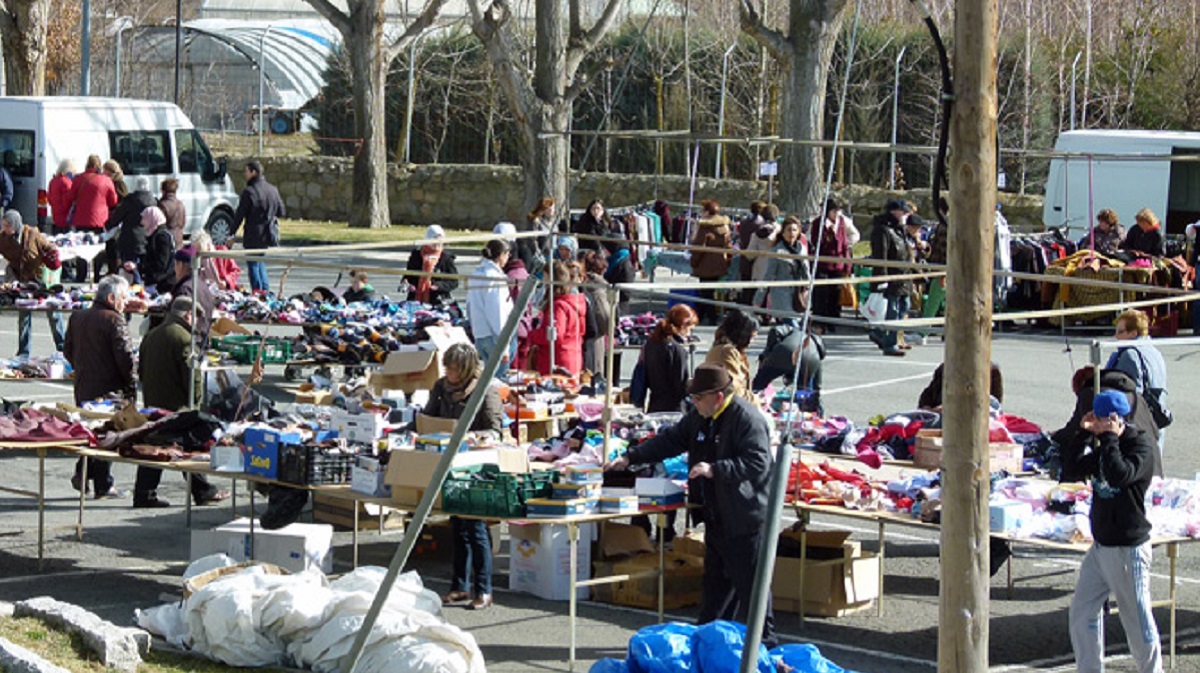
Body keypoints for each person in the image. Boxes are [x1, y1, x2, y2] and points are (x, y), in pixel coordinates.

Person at [605, 364, 778, 649]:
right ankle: (708, 643)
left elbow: (759, 462)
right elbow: (671, 440)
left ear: (718, 397)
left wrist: (716, 469)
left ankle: (768, 647)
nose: (694, 403)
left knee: (752, 590)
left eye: (699, 398)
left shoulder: (747, 418)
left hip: (745, 517)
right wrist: (631, 457)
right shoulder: (699, 417)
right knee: (715, 588)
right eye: (693, 398)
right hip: (715, 514)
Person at [1059, 389, 1162, 673]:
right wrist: (1082, 434)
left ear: (1118, 419)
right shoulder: (1105, 445)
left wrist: (1109, 439)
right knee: (1082, 612)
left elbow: (1119, 474)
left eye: (1106, 419)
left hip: (1128, 549)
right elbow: (1070, 470)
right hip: (1101, 547)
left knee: (1136, 620)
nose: (1101, 424)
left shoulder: (1140, 446)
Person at [426, 343, 504, 611]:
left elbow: (496, 430)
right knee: (457, 526)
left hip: (476, 467)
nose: (448, 372)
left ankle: (484, 590)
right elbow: (427, 418)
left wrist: (471, 437)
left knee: (476, 529)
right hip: (449, 464)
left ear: (467, 368)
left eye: (454, 367)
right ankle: (459, 586)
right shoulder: (440, 388)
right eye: (446, 366)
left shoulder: (485, 390)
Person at [133, 296, 228, 508]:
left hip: (153, 400)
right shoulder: (184, 338)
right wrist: (196, 405)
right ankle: (202, 491)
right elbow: (191, 377)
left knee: (156, 445)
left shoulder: (151, 335)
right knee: (187, 446)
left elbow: (140, 371)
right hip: (177, 404)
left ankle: (145, 493)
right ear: (187, 315)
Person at [64, 275, 135, 499]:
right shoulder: (114, 320)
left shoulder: (78, 317)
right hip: (109, 388)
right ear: (112, 298)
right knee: (108, 435)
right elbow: (125, 358)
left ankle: (83, 473)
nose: (126, 303)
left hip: (84, 383)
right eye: (123, 298)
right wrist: (131, 385)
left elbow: (67, 350)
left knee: (91, 432)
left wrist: (82, 367)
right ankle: (101, 483)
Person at [0, 210, 65, 356]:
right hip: (22, 283)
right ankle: (23, 352)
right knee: (24, 317)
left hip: (41, 280)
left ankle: (63, 349)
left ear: (16, 224)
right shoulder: (3, 239)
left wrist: (52, 257)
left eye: (8, 225)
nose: (5, 228)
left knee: (53, 314)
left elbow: (50, 248)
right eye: (3, 225)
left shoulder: (33, 234)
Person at [1106, 309, 1169, 454]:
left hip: (1139, 426)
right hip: (1157, 421)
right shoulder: (1154, 352)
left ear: (1134, 333)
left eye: (1121, 332)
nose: (1116, 336)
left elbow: (1129, 397)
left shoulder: (1129, 355)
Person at [229, 160, 285, 292]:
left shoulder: (249, 192)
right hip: (267, 233)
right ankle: (265, 292)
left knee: (253, 264)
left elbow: (239, 215)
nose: (245, 174)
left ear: (253, 172)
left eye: (246, 171)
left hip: (253, 233)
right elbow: (282, 212)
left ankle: (257, 292)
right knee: (260, 262)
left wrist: (232, 234)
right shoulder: (273, 190)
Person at [868, 199, 915, 357]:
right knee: (892, 312)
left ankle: (885, 335)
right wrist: (882, 279)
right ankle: (889, 342)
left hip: (904, 277)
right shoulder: (883, 230)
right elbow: (881, 256)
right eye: (903, 211)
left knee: (903, 308)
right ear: (894, 212)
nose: (905, 215)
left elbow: (906, 254)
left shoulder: (900, 230)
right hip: (893, 279)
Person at [527, 260, 586, 376]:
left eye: (545, 277)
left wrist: (532, 335)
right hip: (572, 355)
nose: (543, 281)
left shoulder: (559, 306)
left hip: (558, 360)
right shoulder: (574, 303)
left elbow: (556, 335)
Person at [467, 239, 514, 377]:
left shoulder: (476, 273)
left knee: (488, 380)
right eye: (507, 254)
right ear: (501, 255)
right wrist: (504, 345)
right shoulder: (495, 278)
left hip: (480, 333)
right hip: (494, 337)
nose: (508, 258)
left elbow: (470, 306)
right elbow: (497, 312)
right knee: (499, 383)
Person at [811, 197, 859, 330]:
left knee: (835, 293)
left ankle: (833, 320)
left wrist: (847, 265)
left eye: (839, 210)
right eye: (834, 210)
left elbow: (844, 244)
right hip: (823, 263)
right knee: (822, 293)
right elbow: (816, 242)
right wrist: (828, 231)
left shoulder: (842, 222)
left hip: (838, 264)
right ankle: (820, 320)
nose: (837, 213)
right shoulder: (818, 223)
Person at [641, 304, 697, 413]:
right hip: (673, 408)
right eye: (689, 329)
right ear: (683, 326)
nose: (689, 334)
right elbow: (681, 385)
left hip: (654, 403)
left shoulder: (651, 343)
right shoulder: (677, 350)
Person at [753, 322, 824, 407]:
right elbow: (817, 378)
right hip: (809, 362)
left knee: (761, 380)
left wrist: (768, 353)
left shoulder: (792, 330)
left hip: (784, 353)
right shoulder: (816, 348)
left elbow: (775, 330)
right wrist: (816, 395)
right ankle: (806, 408)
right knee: (806, 395)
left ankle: (752, 395)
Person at [754, 215, 809, 317]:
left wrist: (808, 291)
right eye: (788, 230)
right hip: (782, 295)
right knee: (790, 324)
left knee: (796, 329)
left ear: (798, 232)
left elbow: (807, 273)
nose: (791, 233)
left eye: (794, 230)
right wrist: (758, 300)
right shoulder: (776, 252)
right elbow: (768, 276)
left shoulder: (802, 249)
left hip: (799, 295)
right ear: (783, 232)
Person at [689, 199, 733, 325]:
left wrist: (694, 262)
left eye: (703, 209)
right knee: (709, 292)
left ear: (707, 212)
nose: (701, 212)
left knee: (706, 293)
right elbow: (728, 245)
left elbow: (699, 248)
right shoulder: (724, 226)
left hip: (706, 265)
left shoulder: (705, 227)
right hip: (720, 263)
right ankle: (702, 316)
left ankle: (710, 318)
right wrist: (728, 259)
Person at [703, 309, 757, 400]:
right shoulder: (726, 352)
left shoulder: (727, 349)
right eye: (752, 337)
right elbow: (734, 390)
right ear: (743, 334)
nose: (752, 341)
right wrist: (756, 401)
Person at [404, 224, 459, 305]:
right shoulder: (416, 255)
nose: (437, 244)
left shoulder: (446, 258)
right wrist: (407, 284)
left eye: (440, 241)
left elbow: (454, 281)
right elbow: (409, 275)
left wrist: (439, 286)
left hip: (438, 301)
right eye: (435, 240)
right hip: (415, 300)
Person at [111, 176, 156, 271]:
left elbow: (116, 218)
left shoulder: (129, 201)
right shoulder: (154, 201)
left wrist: (108, 225)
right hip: (147, 237)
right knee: (141, 268)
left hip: (129, 239)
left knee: (129, 269)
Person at [917, 362, 1004, 410]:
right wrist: (927, 407)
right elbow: (927, 394)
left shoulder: (991, 371)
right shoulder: (945, 367)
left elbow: (994, 405)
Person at [580, 251, 613, 376]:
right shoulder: (598, 289)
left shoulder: (586, 284)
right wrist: (608, 329)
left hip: (586, 335)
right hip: (595, 337)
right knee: (594, 374)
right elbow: (604, 315)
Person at [68, 155, 118, 232]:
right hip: (100, 220)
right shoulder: (106, 180)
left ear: (87, 164)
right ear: (100, 166)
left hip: (80, 220)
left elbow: (71, 197)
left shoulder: (78, 178)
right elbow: (113, 202)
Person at [139, 206, 175, 295]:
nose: (142, 222)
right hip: (157, 281)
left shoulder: (161, 237)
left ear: (152, 218)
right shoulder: (154, 234)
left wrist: (143, 267)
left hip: (163, 283)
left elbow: (161, 263)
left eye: (145, 218)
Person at [736, 201, 766, 305]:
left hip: (744, 257)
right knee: (754, 290)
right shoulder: (760, 226)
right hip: (756, 260)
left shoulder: (744, 223)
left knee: (746, 288)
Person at [518, 197, 555, 274]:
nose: (552, 210)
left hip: (551, 252)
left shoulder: (552, 221)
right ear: (543, 209)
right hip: (540, 254)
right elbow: (532, 239)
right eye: (549, 209)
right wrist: (537, 253)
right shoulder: (536, 221)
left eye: (553, 208)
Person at [603, 241, 636, 317]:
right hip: (610, 300)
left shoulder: (625, 265)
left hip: (620, 304)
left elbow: (627, 291)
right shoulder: (612, 261)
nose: (604, 251)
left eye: (606, 249)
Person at [158, 178, 187, 248]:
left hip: (167, 240)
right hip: (179, 238)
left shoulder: (162, 205)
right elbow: (183, 222)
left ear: (164, 190)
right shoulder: (180, 204)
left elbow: (159, 224)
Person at [48, 159, 76, 232]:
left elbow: (50, 200)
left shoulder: (52, 181)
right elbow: (67, 202)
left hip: (55, 217)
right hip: (66, 219)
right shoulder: (67, 182)